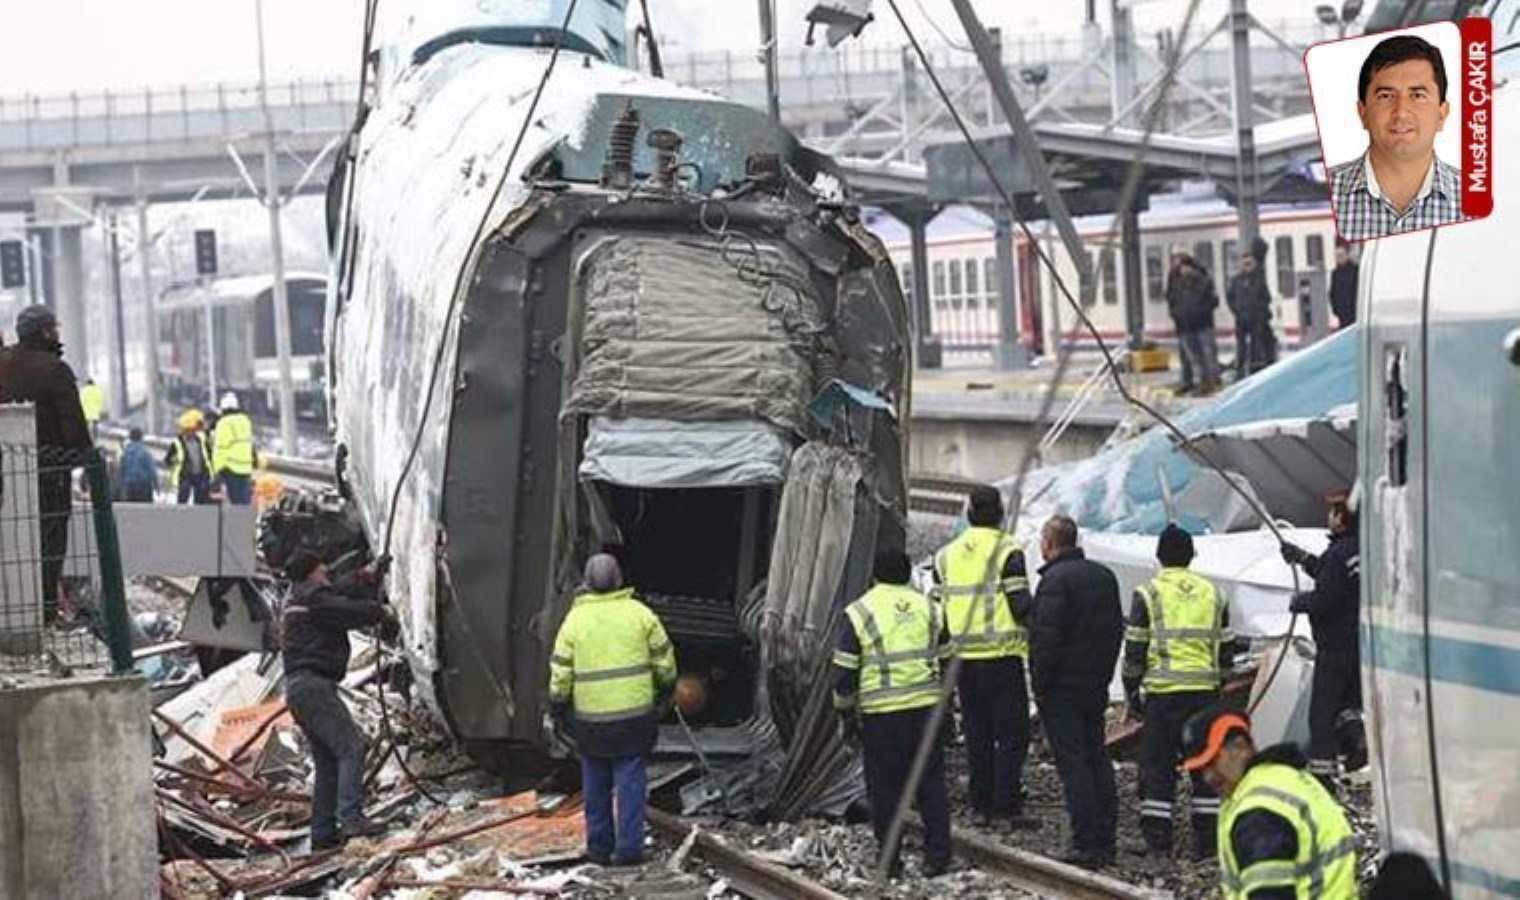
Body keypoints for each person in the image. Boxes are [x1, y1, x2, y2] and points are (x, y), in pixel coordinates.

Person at [1122, 524, 1243, 860]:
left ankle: (1158, 841)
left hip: (1164, 694)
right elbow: (1226, 649)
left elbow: (1135, 648)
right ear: (1191, 555)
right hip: (1204, 694)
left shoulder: (1148, 593)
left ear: (1159, 556)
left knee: (1158, 766)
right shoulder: (1214, 593)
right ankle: (1206, 842)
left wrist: (1132, 691)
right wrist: (1218, 684)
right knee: (1205, 766)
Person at [549, 554, 677, 866]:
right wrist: (665, 689)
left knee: (595, 784)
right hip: (635, 718)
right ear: (619, 580)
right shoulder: (641, 615)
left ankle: (599, 848)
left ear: (587, 583)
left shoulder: (574, 621)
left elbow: (561, 673)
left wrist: (557, 704)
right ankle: (629, 849)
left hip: (591, 722)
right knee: (630, 782)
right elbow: (665, 662)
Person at [833, 547, 952, 878]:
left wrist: (845, 715)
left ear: (874, 576)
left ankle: (890, 861)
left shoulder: (859, 612)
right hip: (926, 710)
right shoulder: (931, 608)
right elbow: (948, 658)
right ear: (908, 575)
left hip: (882, 714)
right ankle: (938, 858)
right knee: (930, 784)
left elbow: (844, 673)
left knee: (885, 790)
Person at [930, 485, 1036, 830]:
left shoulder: (945, 556)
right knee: (1012, 734)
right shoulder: (1008, 551)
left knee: (976, 733)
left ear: (969, 513)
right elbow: (1020, 605)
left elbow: (938, 611)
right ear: (1001, 513)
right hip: (1002, 656)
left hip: (964, 660)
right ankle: (1005, 804)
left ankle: (980, 805)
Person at [280, 549, 396, 850]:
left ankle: (322, 833)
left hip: (299, 689)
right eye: (323, 572)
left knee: (328, 761)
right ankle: (352, 818)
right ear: (313, 573)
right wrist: (380, 612)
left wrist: (365, 575)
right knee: (351, 748)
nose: (327, 578)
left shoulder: (298, 597)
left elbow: (338, 592)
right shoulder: (314, 600)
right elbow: (342, 608)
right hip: (314, 686)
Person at [1179, 707, 1357, 899]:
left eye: (1213, 762)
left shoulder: (1258, 810)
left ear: (1241, 748)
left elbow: (1268, 893)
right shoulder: (1285, 780)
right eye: (1201, 769)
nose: (1208, 777)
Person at [1029, 514, 1123, 868]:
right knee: (1096, 756)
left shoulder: (1054, 581)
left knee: (1074, 764)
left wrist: (1040, 686)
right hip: (1094, 684)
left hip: (1062, 689)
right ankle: (1106, 836)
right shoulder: (1104, 576)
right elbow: (1116, 630)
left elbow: (1047, 640)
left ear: (1050, 543)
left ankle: (1085, 842)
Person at [0, 305, 94, 623]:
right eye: (55, 327)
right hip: (49, 476)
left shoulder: (3, 363)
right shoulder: (55, 369)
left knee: (11, 542)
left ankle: (12, 607)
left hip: (6, 473)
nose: (58, 332)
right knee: (50, 545)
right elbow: (74, 429)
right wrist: (84, 459)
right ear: (44, 331)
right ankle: (43, 612)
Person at [1328, 34, 1461, 241]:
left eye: (1417, 96)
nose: (1401, 112)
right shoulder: (1328, 196)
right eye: (1386, 96)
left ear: (1442, 114)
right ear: (1362, 113)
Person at [1280, 490, 1365, 788]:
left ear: (1342, 518)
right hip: (1360, 646)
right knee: (1350, 705)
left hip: (1334, 647)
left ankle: (1321, 774)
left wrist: (1298, 601)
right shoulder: (1362, 552)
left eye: (1333, 512)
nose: (1328, 516)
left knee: (1322, 715)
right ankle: (1357, 743)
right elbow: (1334, 577)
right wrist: (1303, 559)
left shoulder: (1337, 554)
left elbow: (1325, 599)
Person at [1164, 250, 1222, 395]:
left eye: (1182, 265)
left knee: (1208, 355)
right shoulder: (1175, 281)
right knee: (1193, 357)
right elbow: (1171, 299)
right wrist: (1176, 314)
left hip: (1202, 324)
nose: (1181, 269)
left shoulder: (1203, 281)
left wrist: (1202, 311)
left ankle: (1212, 382)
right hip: (1184, 325)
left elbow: (1213, 300)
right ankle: (1199, 382)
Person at [1226, 252, 1274, 380]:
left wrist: (1260, 312)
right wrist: (1236, 310)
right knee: (1241, 346)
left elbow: (1266, 298)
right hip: (1241, 319)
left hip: (1256, 319)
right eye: (1244, 264)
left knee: (1256, 345)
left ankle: (1255, 369)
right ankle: (1240, 371)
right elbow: (1230, 298)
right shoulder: (1236, 281)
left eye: (1249, 264)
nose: (1247, 266)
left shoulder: (1259, 280)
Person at [212, 391, 257, 505]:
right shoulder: (245, 421)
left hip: (231, 469)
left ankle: (237, 521)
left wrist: (217, 471)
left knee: (234, 501)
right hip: (246, 467)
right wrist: (254, 459)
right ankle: (244, 521)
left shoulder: (223, 423)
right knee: (244, 501)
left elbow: (220, 449)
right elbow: (249, 443)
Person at [166, 408, 212, 504]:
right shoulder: (177, 442)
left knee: (200, 500)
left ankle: (197, 517)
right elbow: (168, 459)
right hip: (185, 475)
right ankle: (182, 516)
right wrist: (174, 462)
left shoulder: (201, 440)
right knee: (183, 498)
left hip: (200, 474)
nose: (193, 431)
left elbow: (209, 455)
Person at [116, 427, 157, 502]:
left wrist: (121, 486)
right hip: (144, 485)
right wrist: (156, 485)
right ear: (141, 438)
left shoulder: (125, 453)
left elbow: (121, 470)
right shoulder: (145, 452)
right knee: (144, 510)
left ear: (130, 438)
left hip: (130, 485)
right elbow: (152, 470)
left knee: (131, 508)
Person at [1329, 242, 1358, 329]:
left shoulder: (1356, 270)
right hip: (1342, 314)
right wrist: (1335, 309)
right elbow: (1332, 292)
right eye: (1337, 256)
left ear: (1347, 255)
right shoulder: (1335, 273)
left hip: (1354, 312)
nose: (1339, 258)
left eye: (1341, 255)